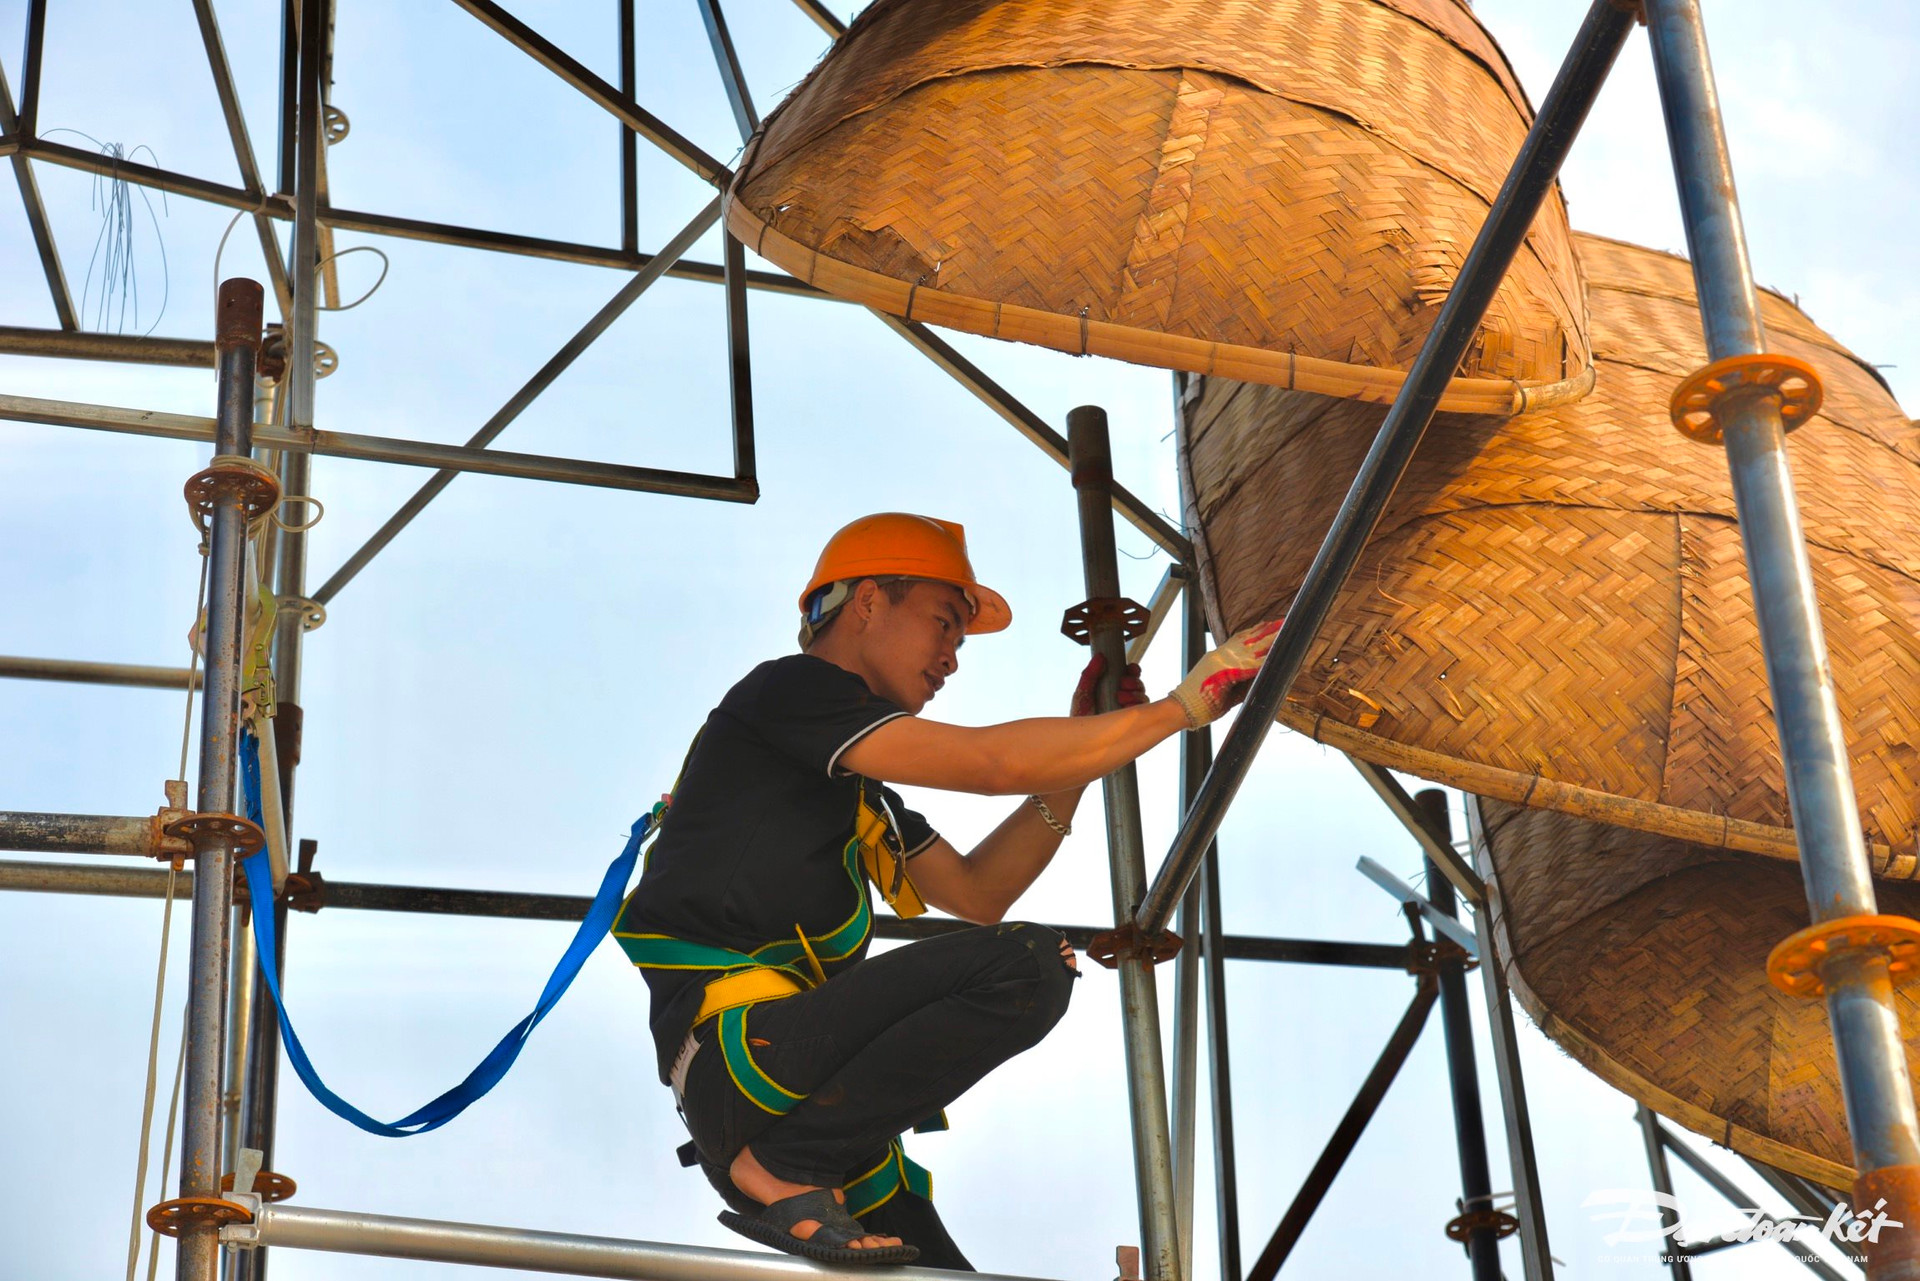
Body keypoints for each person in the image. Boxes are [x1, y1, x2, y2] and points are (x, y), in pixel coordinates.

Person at [612, 512, 1279, 1268]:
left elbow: (977, 889)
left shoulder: (855, 781)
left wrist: (1087, 743)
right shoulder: (790, 692)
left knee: (939, 1273)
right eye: (944, 624)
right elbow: (990, 764)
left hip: (792, 1083)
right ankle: (788, 1162)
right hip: (750, 1066)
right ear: (868, 602)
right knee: (1027, 963)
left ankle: (797, 1161)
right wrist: (1179, 711)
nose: (951, 658)